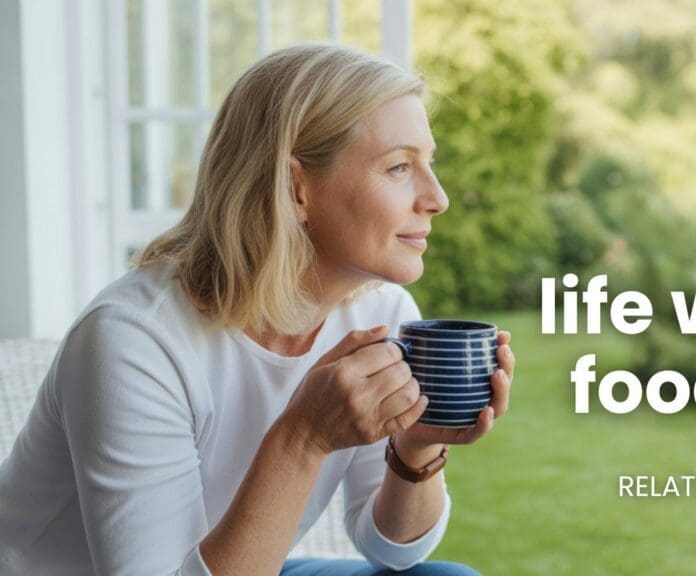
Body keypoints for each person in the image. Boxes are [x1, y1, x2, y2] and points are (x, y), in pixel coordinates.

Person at [0, 44, 515, 575]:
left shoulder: (382, 312)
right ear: (296, 189)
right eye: (399, 167)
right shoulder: (133, 341)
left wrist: (415, 446)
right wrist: (303, 437)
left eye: (429, 164)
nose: (438, 198)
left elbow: (390, 549)